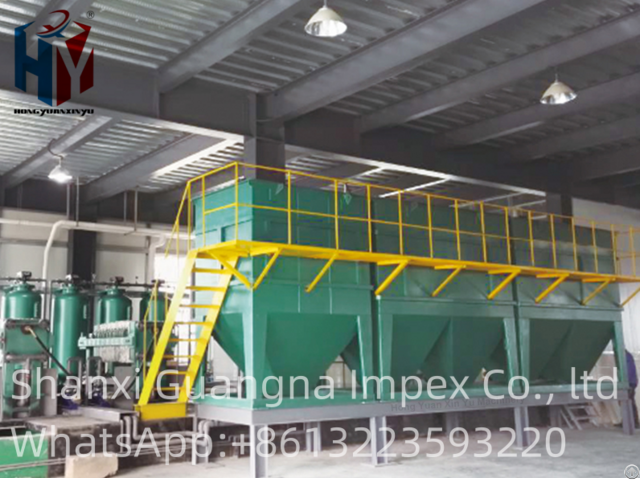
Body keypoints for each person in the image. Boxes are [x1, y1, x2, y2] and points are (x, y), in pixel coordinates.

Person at [627, 350, 639, 429]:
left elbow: (629, 371)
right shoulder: (627, 356)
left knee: (630, 402)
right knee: (630, 402)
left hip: (630, 382)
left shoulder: (626, 357)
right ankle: (632, 421)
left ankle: (634, 422)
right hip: (632, 382)